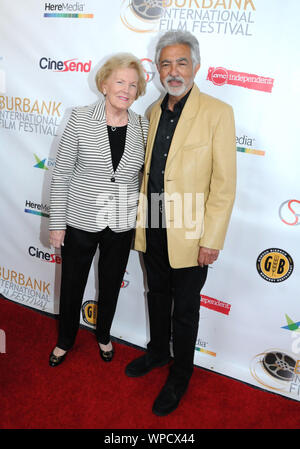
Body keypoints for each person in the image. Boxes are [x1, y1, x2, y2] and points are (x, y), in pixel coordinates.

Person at [125, 31, 236, 416]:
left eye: (181, 62)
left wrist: (212, 238)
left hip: (192, 231)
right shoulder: (152, 112)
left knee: (185, 308)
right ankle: (157, 353)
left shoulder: (218, 113)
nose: (174, 71)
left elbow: (224, 185)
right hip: (153, 223)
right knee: (157, 295)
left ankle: (181, 374)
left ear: (196, 66)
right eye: (166, 63)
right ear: (157, 69)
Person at [48, 53, 148, 367]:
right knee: (72, 286)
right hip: (79, 221)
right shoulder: (79, 118)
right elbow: (62, 174)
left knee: (110, 285)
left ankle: (103, 335)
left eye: (133, 85)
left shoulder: (143, 127)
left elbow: (143, 177)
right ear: (104, 84)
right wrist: (57, 223)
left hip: (120, 225)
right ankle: (65, 341)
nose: (127, 89)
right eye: (120, 81)